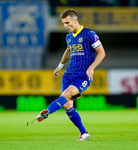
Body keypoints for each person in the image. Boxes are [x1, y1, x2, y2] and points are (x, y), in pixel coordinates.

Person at [36, 9, 106, 141]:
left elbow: (101, 52)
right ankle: (84, 133)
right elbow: (68, 51)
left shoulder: (89, 34)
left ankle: (47, 112)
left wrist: (91, 68)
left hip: (82, 76)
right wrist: (60, 66)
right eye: (63, 23)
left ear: (75, 21)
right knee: (68, 105)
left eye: (67, 23)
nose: (65, 26)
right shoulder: (69, 37)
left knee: (66, 95)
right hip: (68, 75)